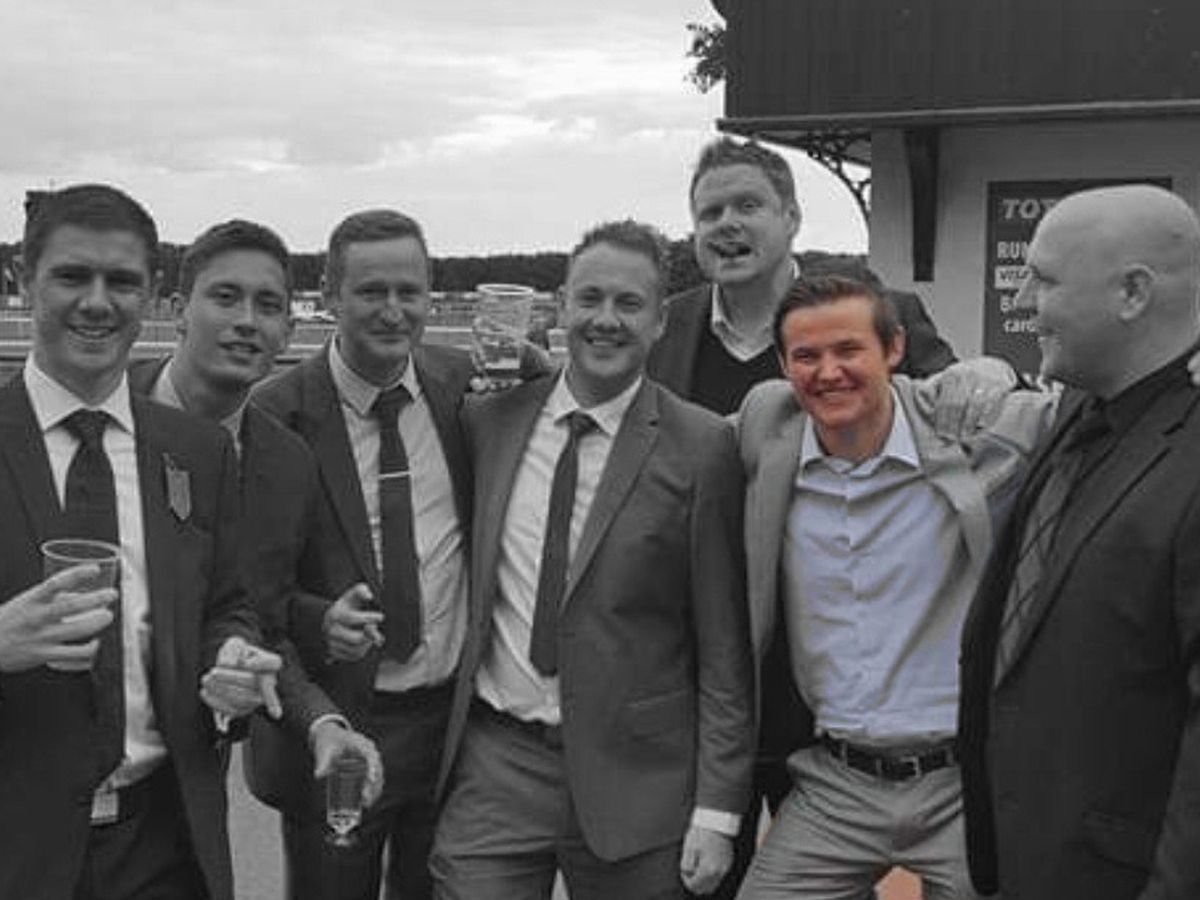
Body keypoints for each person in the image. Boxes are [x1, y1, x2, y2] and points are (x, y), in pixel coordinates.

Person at [645, 135, 957, 898]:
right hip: (711, 665)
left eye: (747, 205)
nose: (727, 224)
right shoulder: (666, 329)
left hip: (831, 678)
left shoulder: (870, 313)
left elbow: (955, 411)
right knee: (703, 875)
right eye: (709, 212)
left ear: (790, 217)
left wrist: (990, 371)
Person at [430, 219, 755, 899]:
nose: (606, 320)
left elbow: (724, 646)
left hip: (639, 776)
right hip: (497, 766)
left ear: (660, 322)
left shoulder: (701, 447)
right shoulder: (490, 420)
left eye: (629, 304)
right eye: (590, 298)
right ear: (560, 307)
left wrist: (717, 811)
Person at [0, 183, 281, 900]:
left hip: (161, 844)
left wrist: (231, 659)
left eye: (122, 282)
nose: (97, 302)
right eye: (72, 276)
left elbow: (226, 604)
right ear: (24, 281)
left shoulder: (197, 451)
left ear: (153, 295)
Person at [734, 275, 1051, 900]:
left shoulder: (969, 428)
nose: (829, 372)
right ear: (783, 367)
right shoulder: (766, 432)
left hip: (965, 780)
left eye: (848, 349)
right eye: (807, 355)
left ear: (895, 349)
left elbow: (1085, 403)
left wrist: (1001, 371)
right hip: (837, 782)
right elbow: (666, 441)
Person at [959, 184, 1200, 900]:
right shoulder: (1080, 408)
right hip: (1030, 858)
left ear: (1132, 293)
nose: (1023, 300)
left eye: (1045, 279)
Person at [124, 220, 384, 841]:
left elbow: (263, 619)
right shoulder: (99, 416)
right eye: (225, 297)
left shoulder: (288, 464)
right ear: (176, 310)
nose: (247, 321)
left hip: (187, 778)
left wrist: (322, 720)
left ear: (288, 331)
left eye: (267, 306)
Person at [254, 209, 474, 900]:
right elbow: (244, 593)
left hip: (450, 727)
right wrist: (317, 619)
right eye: (371, 291)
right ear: (329, 297)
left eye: (410, 291)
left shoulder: (463, 385)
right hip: (340, 724)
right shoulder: (271, 416)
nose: (393, 310)